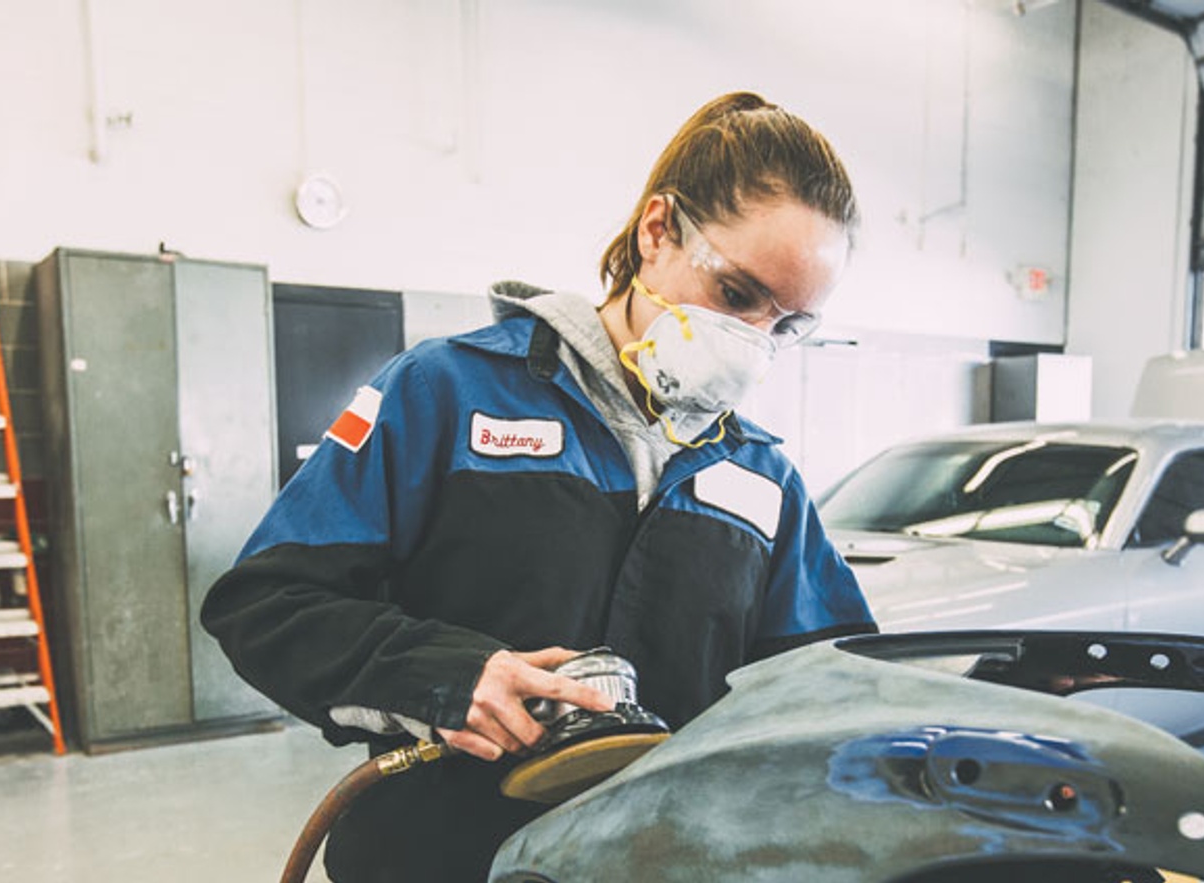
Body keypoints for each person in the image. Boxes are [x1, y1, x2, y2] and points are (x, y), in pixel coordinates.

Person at [201, 91, 876, 883]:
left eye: (788, 325)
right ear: (658, 230)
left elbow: (827, 687)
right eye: (736, 295)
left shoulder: (763, 478)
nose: (754, 342)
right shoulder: (446, 393)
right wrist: (450, 676)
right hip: (441, 861)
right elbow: (266, 605)